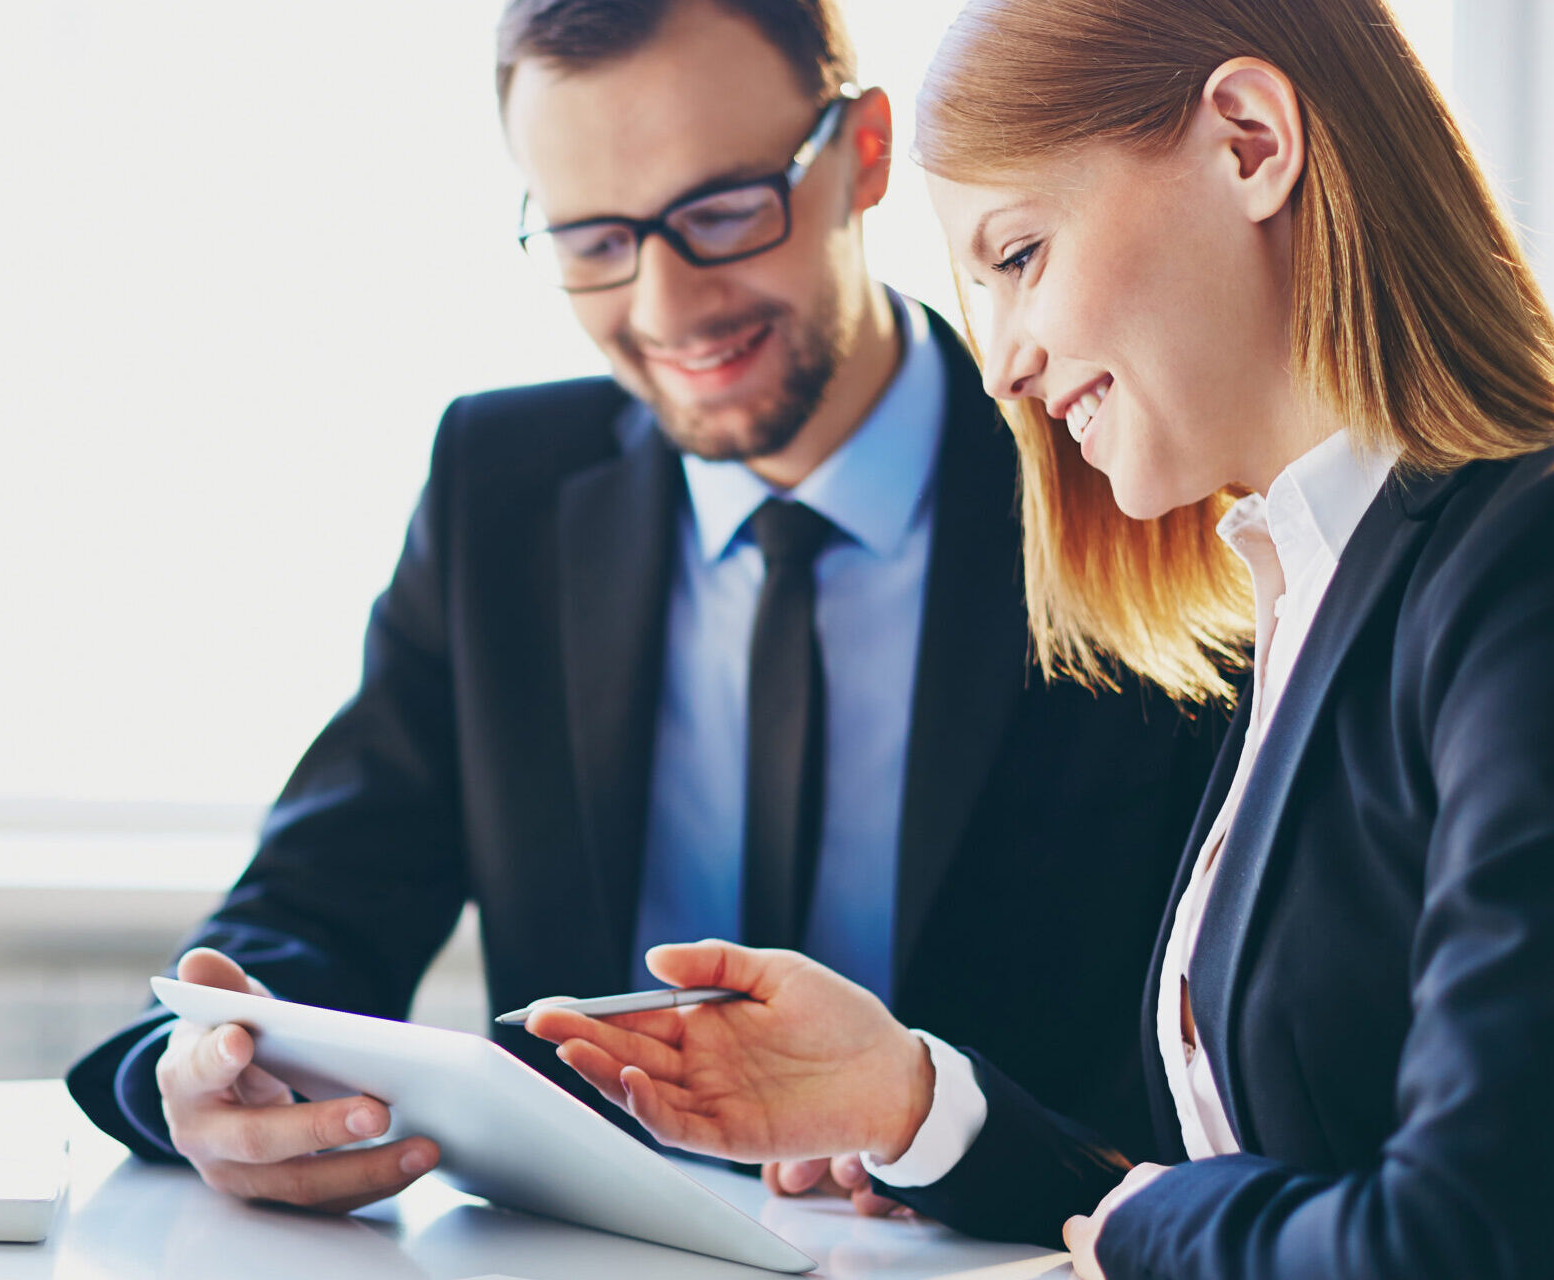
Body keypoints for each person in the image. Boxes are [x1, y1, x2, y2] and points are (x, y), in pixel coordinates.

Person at [526, 0, 1554, 1275]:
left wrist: (1150, 1224)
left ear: (1249, 143)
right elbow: (1261, 1190)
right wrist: (910, 1100)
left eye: (1019, 254)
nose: (1000, 367)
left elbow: (1473, 1238)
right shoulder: (1303, 589)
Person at [64, 0, 1227, 1216]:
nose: (668, 306)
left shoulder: (1129, 469)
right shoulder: (498, 489)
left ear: (864, 155)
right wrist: (202, 1071)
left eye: (722, 212)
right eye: (593, 239)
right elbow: (315, 904)